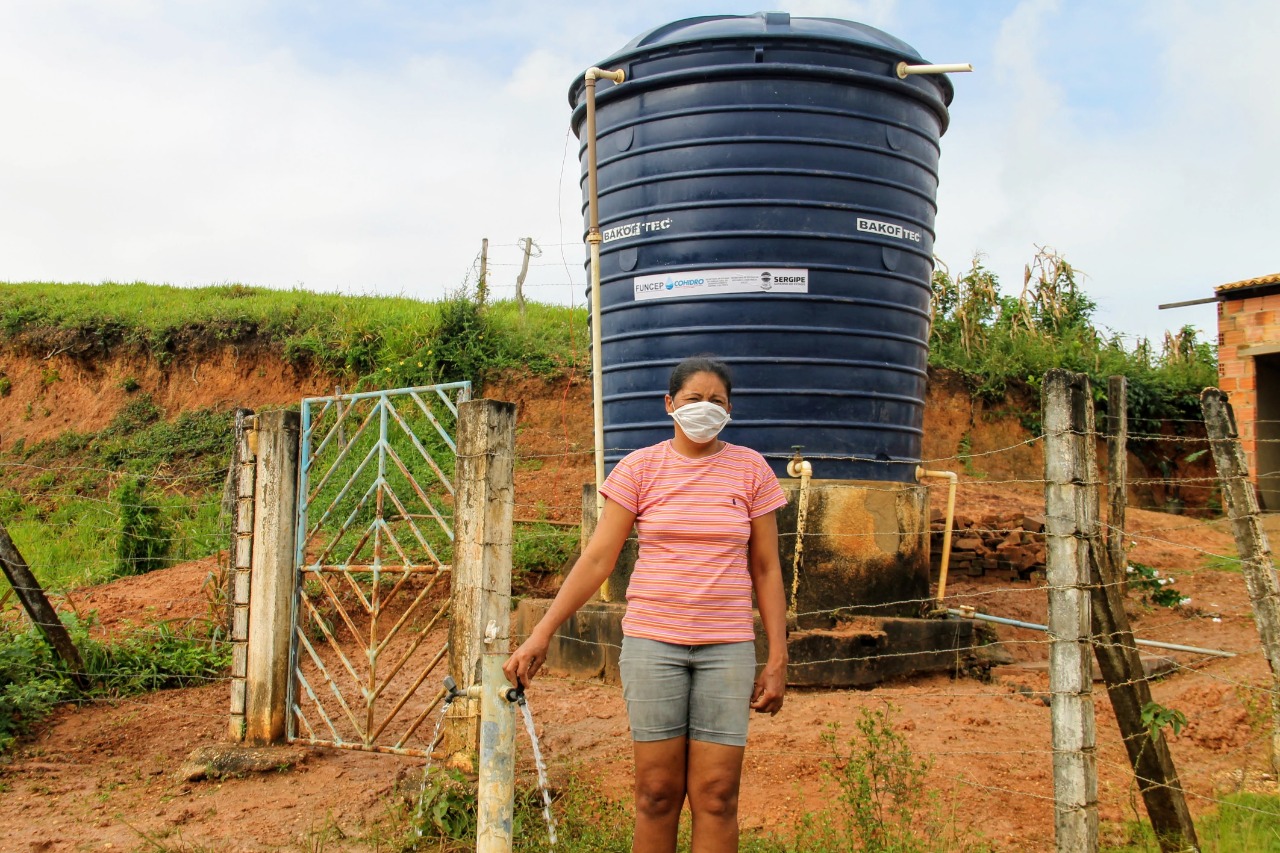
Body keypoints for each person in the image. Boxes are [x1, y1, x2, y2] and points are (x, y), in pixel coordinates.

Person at [504, 355, 788, 853]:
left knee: (718, 795)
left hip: (727, 649)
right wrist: (542, 631)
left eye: (716, 401)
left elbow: (766, 568)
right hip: (653, 646)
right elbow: (597, 559)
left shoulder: (751, 470)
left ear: (731, 409)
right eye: (693, 400)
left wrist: (779, 658)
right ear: (669, 405)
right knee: (656, 794)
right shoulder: (639, 469)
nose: (705, 409)